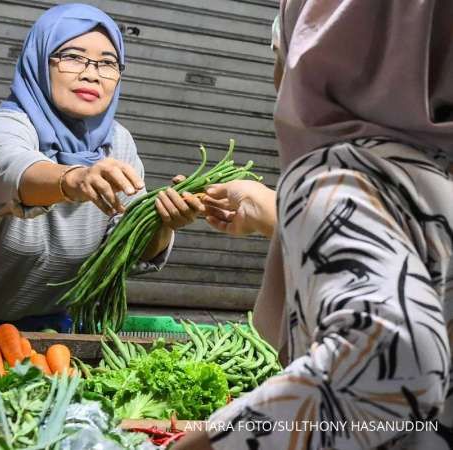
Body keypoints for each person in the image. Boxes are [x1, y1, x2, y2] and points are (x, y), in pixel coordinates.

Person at [176, 0, 453, 449]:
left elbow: (394, 360)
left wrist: (207, 443)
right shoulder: (435, 175)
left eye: (282, 49)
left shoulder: (337, 173)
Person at [0, 4, 203, 331]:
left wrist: (162, 222)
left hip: (42, 327)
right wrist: (75, 178)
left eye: (107, 63)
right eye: (73, 57)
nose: (91, 73)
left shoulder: (117, 144)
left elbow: (130, 245)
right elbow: (10, 169)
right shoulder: (2, 127)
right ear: (38, 61)